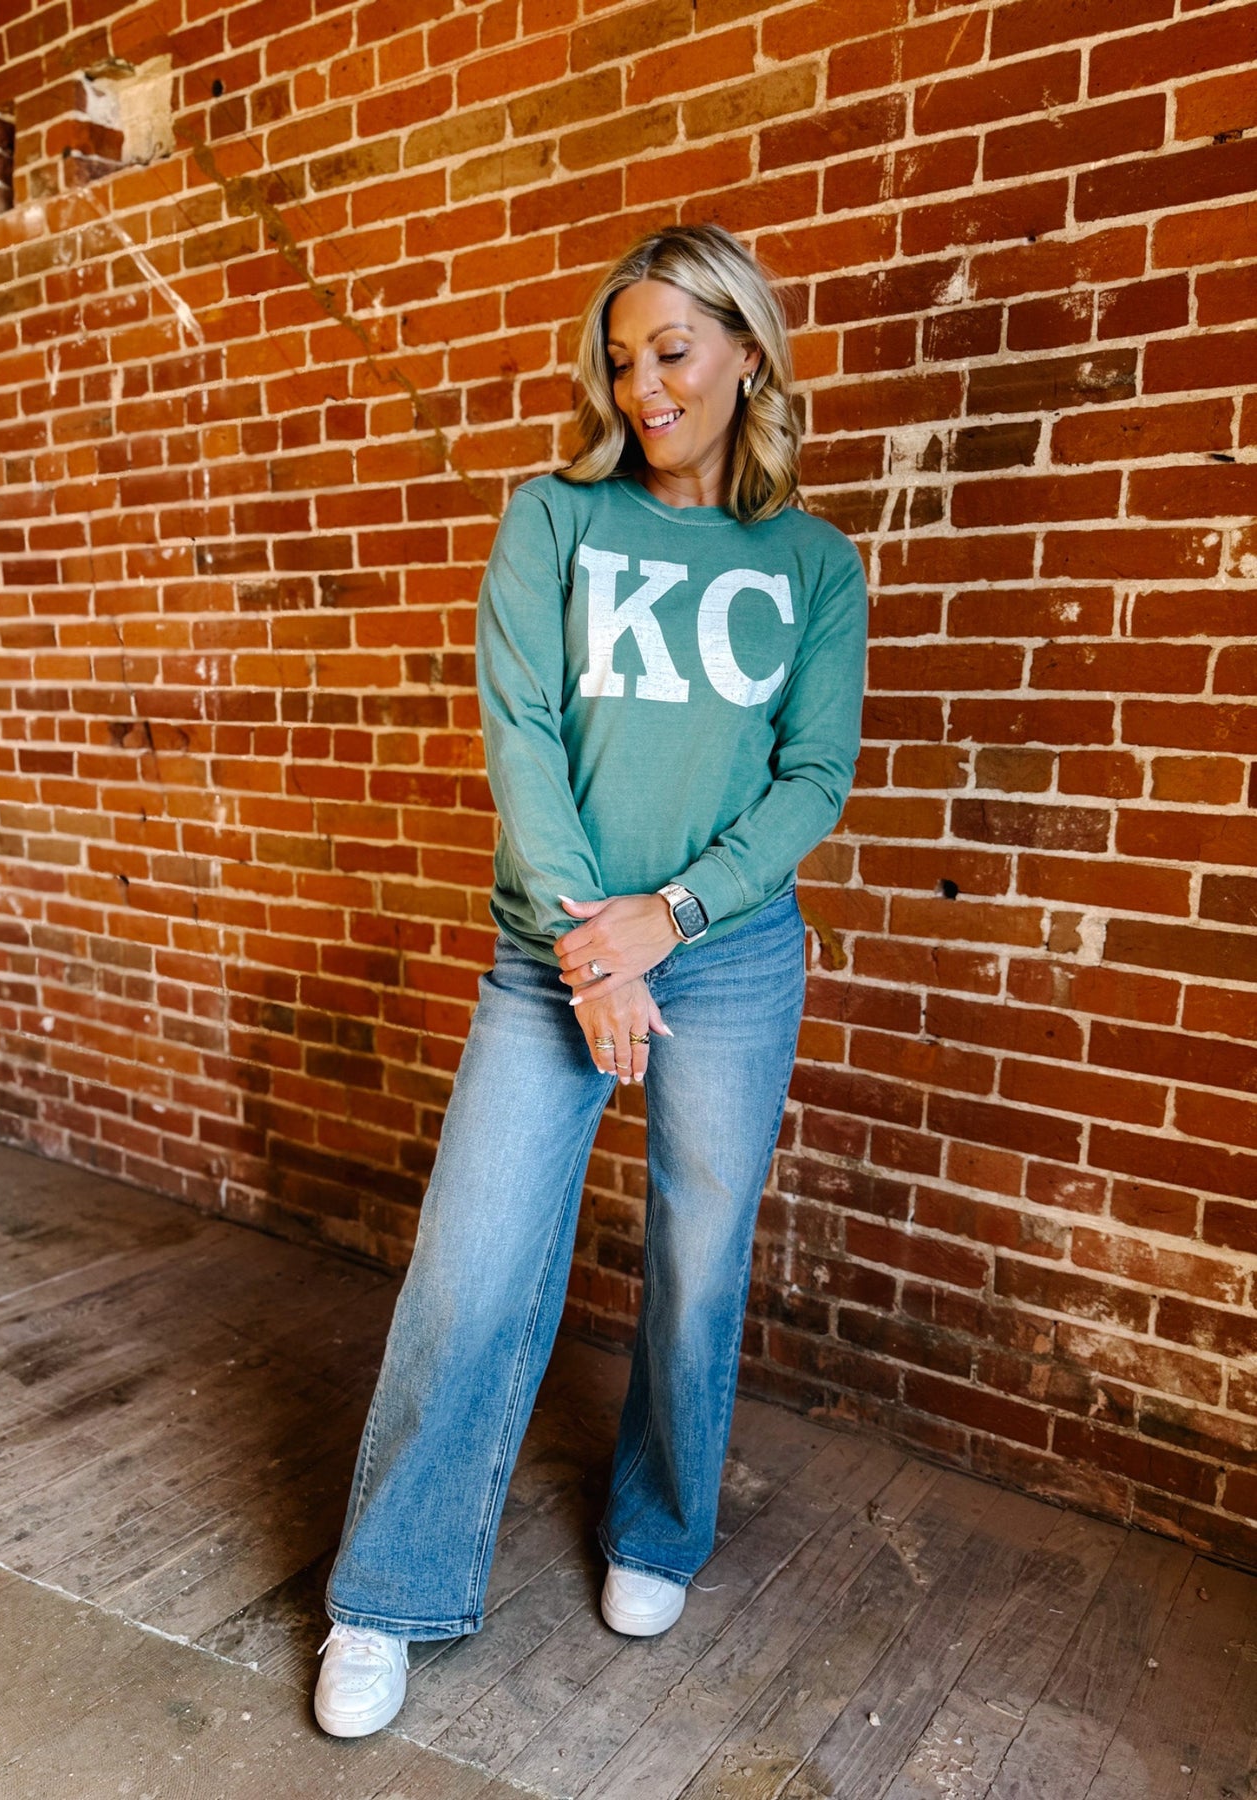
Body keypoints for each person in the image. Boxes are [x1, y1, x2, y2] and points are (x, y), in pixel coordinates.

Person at [313, 222, 869, 1738]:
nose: (644, 387)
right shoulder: (552, 519)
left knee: (698, 1256)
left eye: (672, 352)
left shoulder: (813, 563)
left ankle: (658, 1530)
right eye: (621, 360)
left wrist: (667, 919)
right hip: (546, 951)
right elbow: (523, 734)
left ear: (746, 354)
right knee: (477, 1257)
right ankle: (387, 1591)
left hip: (730, 956)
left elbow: (814, 778)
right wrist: (592, 945)